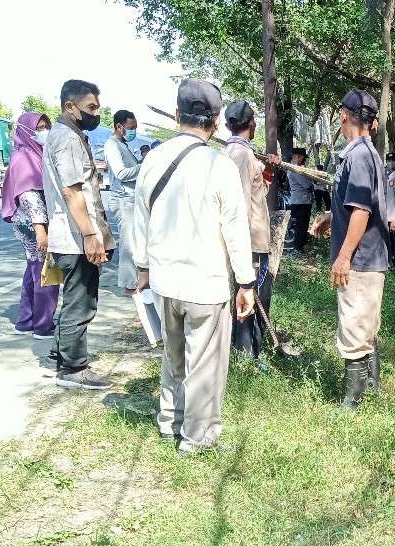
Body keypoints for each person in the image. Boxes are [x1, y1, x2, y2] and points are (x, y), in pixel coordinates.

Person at [133, 79, 257, 456]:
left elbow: (140, 219)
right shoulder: (218, 166)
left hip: (165, 281)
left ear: (176, 114)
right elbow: (235, 229)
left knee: (172, 358)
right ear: (217, 121)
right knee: (203, 364)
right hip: (206, 284)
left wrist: (142, 268)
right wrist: (246, 282)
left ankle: (170, 420)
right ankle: (196, 437)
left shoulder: (152, 159)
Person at [309, 88, 389, 410]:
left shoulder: (356, 156)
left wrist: (343, 256)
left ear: (344, 116)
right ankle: (372, 388)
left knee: (354, 325)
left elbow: (362, 212)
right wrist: (332, 215)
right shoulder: (368, 154)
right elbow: (359, 204)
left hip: (360, 259)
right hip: (370, 256)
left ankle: (352, 404)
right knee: (366, 324)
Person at [43, 79, 115, 389]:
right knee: (81, 302)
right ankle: (74, 370)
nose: (96, 113)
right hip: (75, 237)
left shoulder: (66, 135)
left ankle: (63, 354)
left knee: (72, 299)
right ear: (69, 106)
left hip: (69, 234)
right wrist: (90, 234)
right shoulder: (67, 139)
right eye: (91, 107)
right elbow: (73, 192)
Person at [223, 100, 282, 360]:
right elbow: (240, 206)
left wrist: (267, 170)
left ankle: (253, 351)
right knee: (252, 298)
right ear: (252, 125)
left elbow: (258, 192)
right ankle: (247, 355)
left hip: (254, 241)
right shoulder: (240, 155)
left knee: (258, 297)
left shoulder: (243, 153)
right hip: (250, 244)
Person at [2, 111, 59, 340]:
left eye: (46, 126)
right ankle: (43, 325)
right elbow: (29, 196)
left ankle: (25, 321)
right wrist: (40, 230)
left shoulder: (32, 154)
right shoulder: (25, 157)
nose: (43, 131)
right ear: (25, 130)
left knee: (34, 270)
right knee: (47, 272)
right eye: (39, 127)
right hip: (34, 223)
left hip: (31, 222)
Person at [104, 109, 143, 294]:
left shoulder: (122, 145)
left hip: (130, 199)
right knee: (128, 243)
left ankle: (134, 280)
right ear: (119, 126)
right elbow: (121, 173)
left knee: (134, 241)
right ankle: (129, 284)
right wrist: (143, 166)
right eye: (131, 128)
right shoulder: (112, 145)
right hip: (122, 199)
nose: (133, 131)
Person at [285, 147, 314, 254]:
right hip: (301, 201)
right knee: (301, 226)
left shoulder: (297, 169)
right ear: (296, 156)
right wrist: (312, 184)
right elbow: (307, 185)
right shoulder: (295, 170)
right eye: (301, 157)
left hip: (301, 201)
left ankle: (300, 246)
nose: (303, 160)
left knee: (302, 225)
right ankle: (298, 248)